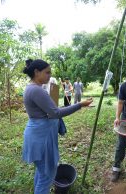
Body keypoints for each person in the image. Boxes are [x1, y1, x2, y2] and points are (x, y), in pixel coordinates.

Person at [22, 59, 93, 194]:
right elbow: (55, 113)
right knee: (47, 176)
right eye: (47, 72)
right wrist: (80, 105)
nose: (50, 76)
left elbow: (50, 110)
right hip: (41, 138)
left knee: (42, 172)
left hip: (38, 134)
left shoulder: (31, 88)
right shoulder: (37, 90)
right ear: (37, 72)